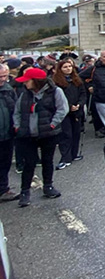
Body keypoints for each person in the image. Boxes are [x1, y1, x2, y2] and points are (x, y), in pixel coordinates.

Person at [13, 67, 68, 207]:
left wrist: (52, 124)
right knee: (29, 163)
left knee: (47, 160)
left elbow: (62, 109)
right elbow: (17, 111)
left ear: (36, 81)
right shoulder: (25, 94)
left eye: (27, 81)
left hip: (48, 133)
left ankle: (48, 186)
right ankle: (25, 191)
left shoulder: (55, 92)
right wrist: (17, 126)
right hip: (27, 134)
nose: (24, 83)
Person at [53, 59, 87, 170]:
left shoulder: (77, 80)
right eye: (65, 67)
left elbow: (83, 94)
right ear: (60, 69)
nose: (68, 69)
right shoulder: (56, 82)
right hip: (64, 112)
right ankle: (65, 157)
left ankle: (74, 153)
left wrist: (79, 104)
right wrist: (70, 105)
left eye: (69, 66)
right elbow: (58, 98)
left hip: (77, 110)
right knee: (66, 134)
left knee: (76, 132)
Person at [0, 64, 20, 201]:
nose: (2, 79)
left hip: (7, 134)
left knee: (5, 162)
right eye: (0, 76)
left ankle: (3, 189)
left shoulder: (8, 90)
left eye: (5, 76)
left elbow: (16, 108)